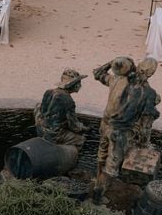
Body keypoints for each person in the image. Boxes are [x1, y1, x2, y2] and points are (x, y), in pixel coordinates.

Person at [92, 56, 138, 201]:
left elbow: (97, 73)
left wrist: (110, 63)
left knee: (102, 152)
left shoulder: (114, 80)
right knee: (113, 161)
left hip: (105, 124)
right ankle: (99, 192)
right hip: (118, 129)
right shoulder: (133, 86)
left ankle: (97, 180)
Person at [34, 69, 88, 148]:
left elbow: (42, 110)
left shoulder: (48, 92)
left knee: (38, 106)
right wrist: (83, 128)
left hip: (40, 129)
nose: (80, 85)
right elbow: (74, 126)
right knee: (80, 139)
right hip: (54, 135)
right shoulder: (68, 100)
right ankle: (64, 155)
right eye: (78, 83)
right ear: (74, 85)